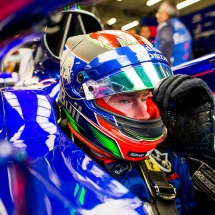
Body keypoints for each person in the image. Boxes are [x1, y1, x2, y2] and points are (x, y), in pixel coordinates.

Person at [58, 30, 215, 214]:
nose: (144, 114)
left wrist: (204, 155)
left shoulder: (170, 160)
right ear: (82, 99)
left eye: (145, 98)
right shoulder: (57, 170)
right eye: (125, 100)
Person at [154, 1, 192, 66]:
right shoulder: (181, 26)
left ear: (163, 14)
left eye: (159, 14)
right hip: (185, 66)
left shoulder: (165, 25)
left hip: (174, 69)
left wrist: (163, 65)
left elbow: (167, 41)